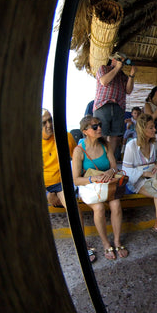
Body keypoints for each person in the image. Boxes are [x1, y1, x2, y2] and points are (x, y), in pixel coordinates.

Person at [42, 110, 97, 263]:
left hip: (60, 183)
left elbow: (75, 157)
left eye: (50, 120)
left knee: (73, 209)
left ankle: (82, 245)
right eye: (43, 123)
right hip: (42, 184)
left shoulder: (65, 136)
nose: (49, 125)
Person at [72, 115, 129, 261]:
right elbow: (76, 180)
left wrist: (111, 171)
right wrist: (93, 178)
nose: (99, 128)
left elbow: (114, 167)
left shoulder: (106, 145)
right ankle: (105, 243)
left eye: (100, 125)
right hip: (90, 187)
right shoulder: (79, 151)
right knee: (99, 208)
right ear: (85, 131)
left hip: (106, 185)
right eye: (95, 126)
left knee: (116, 205)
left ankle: (117, 241)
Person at [122, 114, 157, 241]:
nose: (155, 130)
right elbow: (126, 171)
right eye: (151, 128)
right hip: (137, 180)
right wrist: (144, 173)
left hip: (152, 178)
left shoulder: (153, 144)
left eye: (154, 127)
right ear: (143, 130)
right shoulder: (131, 146)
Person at [93, 51, 136, 161]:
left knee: (115, 136)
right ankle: (98, 160)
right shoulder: (104, 69)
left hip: (118, 107)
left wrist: (131, 75)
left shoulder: (123, 76)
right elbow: (104, 81)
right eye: (119, 60)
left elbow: (128, 90)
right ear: (113, 60)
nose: (121, 63)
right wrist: (116, 68)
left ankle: (109, 160)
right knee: (100, 134)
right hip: (103, 105)